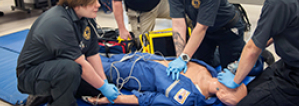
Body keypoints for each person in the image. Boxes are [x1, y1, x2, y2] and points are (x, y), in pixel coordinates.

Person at [16, 0, 119, 106]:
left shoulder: (87, 19)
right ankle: (49, 97)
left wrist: (104, 83)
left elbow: (92, 54)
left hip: (59, 66)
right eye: (93, 1)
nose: (98, 5)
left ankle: (51, 94)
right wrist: (103, 87)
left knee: (98, 83)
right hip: (31, 74)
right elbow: (81, 64)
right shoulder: (58, 22)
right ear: (78, 2)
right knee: (70, 70)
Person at [84, 53, 247, 106]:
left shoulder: (189, 97)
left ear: (223, 94)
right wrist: (183, 57)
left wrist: (114, 99)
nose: (231, 75)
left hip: (129, 72)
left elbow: (151, 99)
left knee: (82, 66)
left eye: (233, 83)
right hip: (138, 56)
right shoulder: (209, 69)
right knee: (91, 54)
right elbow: (184, 55)